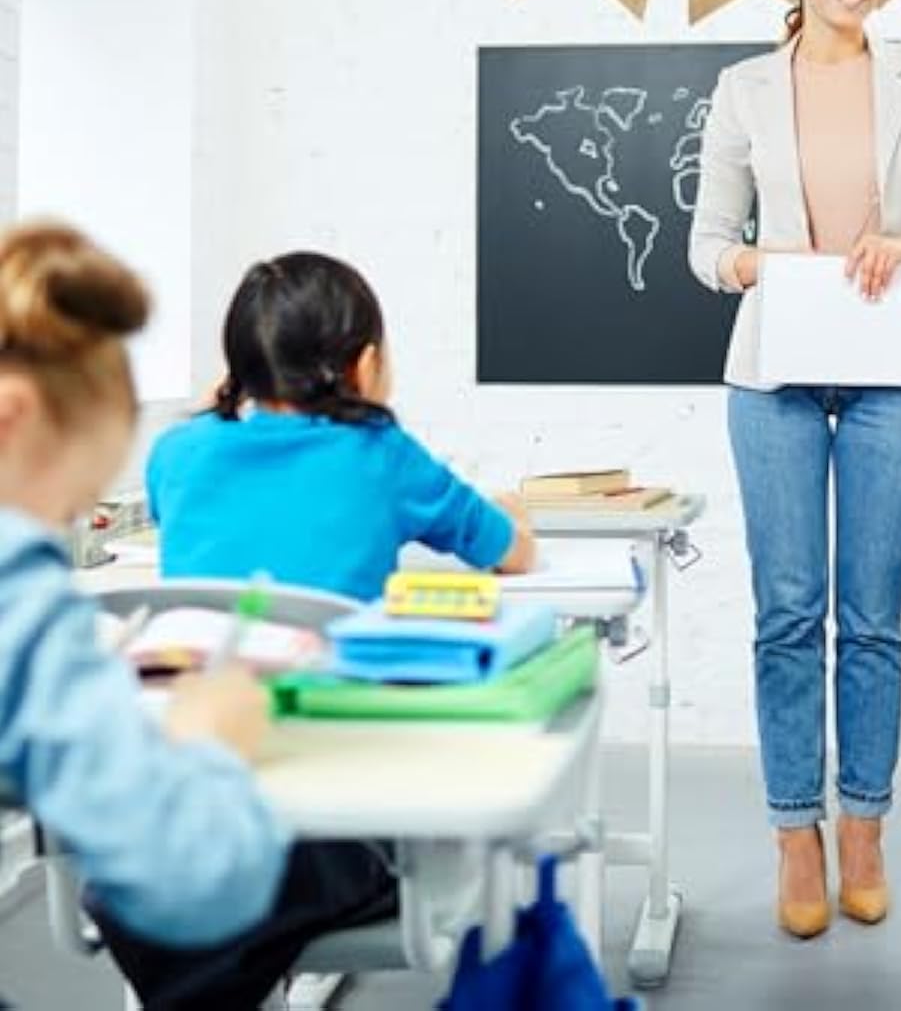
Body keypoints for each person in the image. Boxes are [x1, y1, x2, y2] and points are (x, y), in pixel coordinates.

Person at [689, 0, 901, 938]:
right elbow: (705, 243)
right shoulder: (742, 89)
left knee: (870, 611)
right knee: (785, 611)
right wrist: (750, 261)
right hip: (775, 367)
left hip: (894, 370)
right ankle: (794, 833)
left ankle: (863, 823)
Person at [0, 220, 371, 1008]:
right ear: (15, 414)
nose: (88, 502)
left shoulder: (180, 454)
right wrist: (209, 742)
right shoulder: (21, 599)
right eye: (84, 480)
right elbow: (198, 875)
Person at [151, 250, 535, 600]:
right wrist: (514, 516)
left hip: (205, 674)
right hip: (337, 675)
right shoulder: (383, 453)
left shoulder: (174, 453)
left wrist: (218, 402)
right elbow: (513, 555)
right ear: (366, 367)